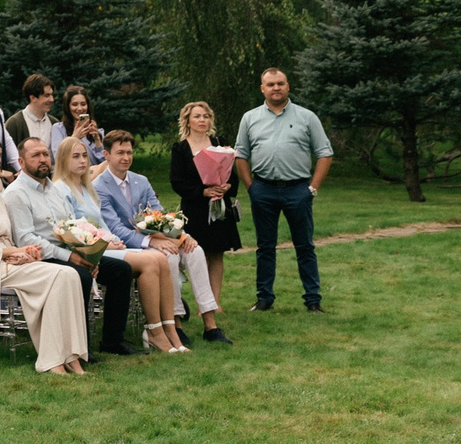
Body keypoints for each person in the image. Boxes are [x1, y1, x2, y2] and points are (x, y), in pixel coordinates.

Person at [0, 136, 87, 374]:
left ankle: (70, 354)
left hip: (5, 263)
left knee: (69, 275)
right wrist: (12, 252)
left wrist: (21, 254)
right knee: (58, 276)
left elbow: (7, 238)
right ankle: (52, 359)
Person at [96, 129, 226, 347]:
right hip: (130, 246)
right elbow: (115, 228)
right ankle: (174, 323)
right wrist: (152, 241)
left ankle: (210, 323)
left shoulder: (141, 181)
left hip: (155, 237)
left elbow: (160, 214)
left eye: (129, 152)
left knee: (196, 251)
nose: (126, 158)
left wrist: (183, 235)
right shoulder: (99, 187)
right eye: (120, 153)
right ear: (106, 154)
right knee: (170, 256)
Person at [12, 136, 139, 355]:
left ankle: (112, 341)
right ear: (21, 162)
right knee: (80, 275)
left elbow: (74, 226)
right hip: (40, 258)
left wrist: (90, 257)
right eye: (35, 155)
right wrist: (71, 257)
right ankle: (80, 349)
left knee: (121, 271)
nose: (43, 159)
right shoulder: (16, 194)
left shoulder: (53, 190)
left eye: (45, 154)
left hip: (72, 253)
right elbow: (27, 239)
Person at [235, 67, 333, 312]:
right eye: (271, 84)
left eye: (280, 83)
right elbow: (240, 155)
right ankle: (264, 298)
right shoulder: (250, 118)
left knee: (305, 246)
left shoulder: (307, 117)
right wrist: (251, 187)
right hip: (263, 189)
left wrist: (312, 188)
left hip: (298, 190)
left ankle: (313, 300)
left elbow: (325, 153)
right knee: (265, 247)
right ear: (262, 89)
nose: (276, 88)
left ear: (288, 86)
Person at [53, 138, 162, 356]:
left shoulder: (86, 187)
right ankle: (83, 344)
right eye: (76, 156)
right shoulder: (60, 189)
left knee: (124, 270)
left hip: (101, 246)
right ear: (63, 160)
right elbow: (71, 228)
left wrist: (112, 239)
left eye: (84, 155)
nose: (83, 161)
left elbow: (100, 224)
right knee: (141, 263)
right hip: (80, 251)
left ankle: (114, 340)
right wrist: (106, 244)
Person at [168, 102, 244, 321]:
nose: (202, 120)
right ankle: (200, 300)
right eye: (197, 116)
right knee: (197, 254)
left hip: (219, 206)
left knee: (216, 253)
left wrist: (227, 186)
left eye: (206, 116)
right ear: (188, 121)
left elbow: (232, 175)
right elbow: (177, 182)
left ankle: (214, 303)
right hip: (195, 208)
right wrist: (203, 191)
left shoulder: (220, 144)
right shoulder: (180, 148)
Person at [4, 73, 66, 161]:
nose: (52, 99)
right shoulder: (15, 123)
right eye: (46, 95)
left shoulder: (54, 123)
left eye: (52, 95)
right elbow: (8, 156)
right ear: (33, 98)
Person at [63, 86, 106, 166]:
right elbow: (59, 158)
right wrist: (74, 138)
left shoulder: (98, 132)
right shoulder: (59, 129)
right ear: (68, 107)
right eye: (74, 104)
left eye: (83, 104)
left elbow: (105, 163)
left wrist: (97, 140)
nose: (79, 108)